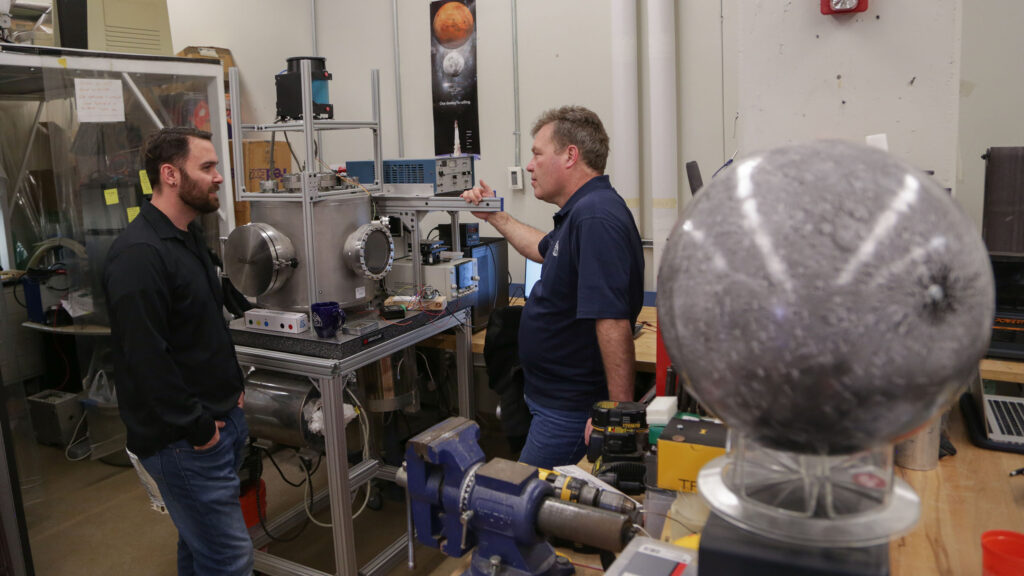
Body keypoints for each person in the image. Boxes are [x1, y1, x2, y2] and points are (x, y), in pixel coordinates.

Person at [104, 127, 252, 575]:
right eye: (207, 168)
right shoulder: (138, 255)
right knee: (230, 559)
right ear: (170, 175)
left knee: (200, 550)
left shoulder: (186, 238)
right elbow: (146, 359)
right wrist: (199, 428)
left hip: (218, 421)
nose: (218, 178)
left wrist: (233, 393)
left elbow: (203, 329)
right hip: (186, 443)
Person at [462, 105, 644, 469]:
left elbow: (612, 320)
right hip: (550, 399)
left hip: (568, 408)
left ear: (570, 156)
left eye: (537, 154)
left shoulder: (595, 217)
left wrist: (618, 418)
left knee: (517, 506)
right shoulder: (582, 212)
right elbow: (542, 248)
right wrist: (495, 216)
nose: (530, 166)